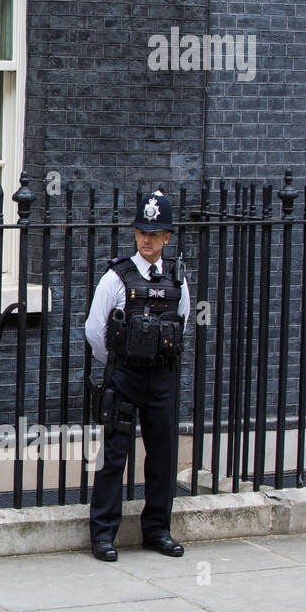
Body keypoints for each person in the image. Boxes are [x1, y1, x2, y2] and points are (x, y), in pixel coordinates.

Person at [84, 189, 191, 562]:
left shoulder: (177, 279)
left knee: (162, 456)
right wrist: (117, 364)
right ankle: (103, 534)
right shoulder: (116, 277)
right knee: (114, 456)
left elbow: (182, 322)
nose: (147, 239)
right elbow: (95, 331)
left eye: (155, 233)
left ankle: (158, 530)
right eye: (142, 232)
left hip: (162, 378)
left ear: (167, 237)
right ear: (135, 233)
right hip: (125, 376)